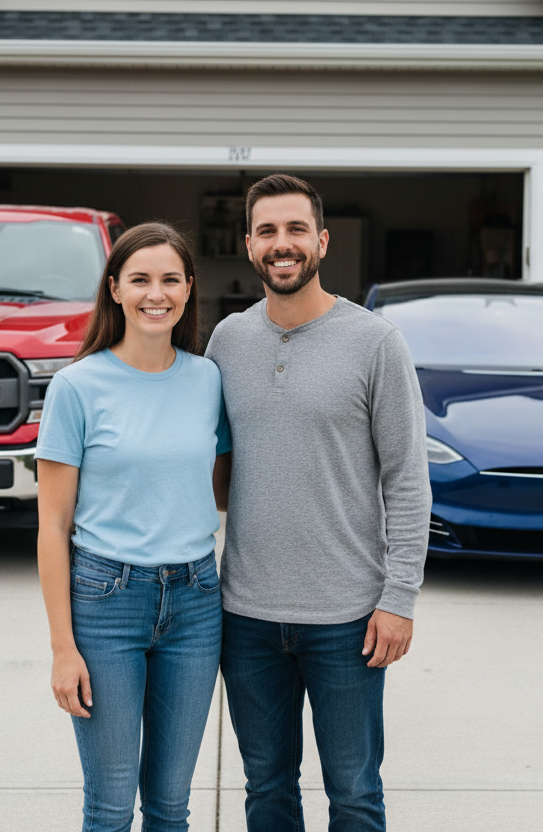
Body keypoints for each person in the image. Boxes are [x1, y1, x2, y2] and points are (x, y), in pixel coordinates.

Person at [206, 174, 431, 831]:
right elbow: (219, 470)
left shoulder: (374, 342)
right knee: (266, 790)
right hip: (244, 617)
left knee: (354, 794)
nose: (283, 244)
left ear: (322, 241)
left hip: (347, 619)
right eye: (268, 232)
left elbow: (407, 480)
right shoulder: (225, 343)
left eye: (295, 230)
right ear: (249, 245)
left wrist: (399, 598)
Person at [36, 222, 230, 832]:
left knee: (172, 806)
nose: (156, 293)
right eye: (140, 279)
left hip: (197, 602)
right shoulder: (76, 387)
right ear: (114, 289)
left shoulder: (209, 380)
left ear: (188, 289)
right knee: (111, 805)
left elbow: (220, 488)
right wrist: (63, 648)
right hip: (105, 602)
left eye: (170, 279)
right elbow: (51, 525)